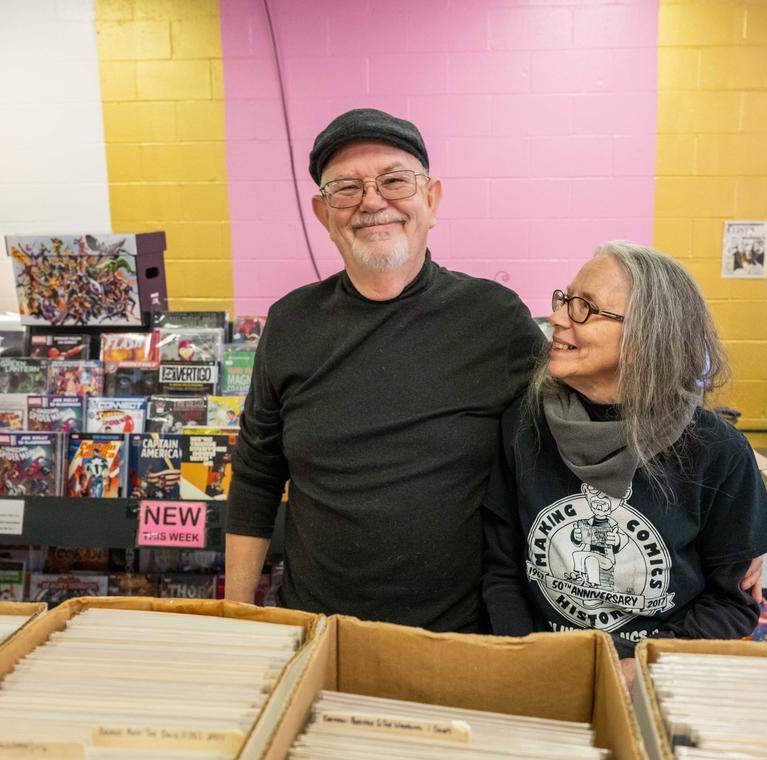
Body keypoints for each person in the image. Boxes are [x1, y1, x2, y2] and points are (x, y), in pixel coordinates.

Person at [223, 109, 544, 631]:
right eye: (345, 189)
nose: (372, 201)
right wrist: (236, 613)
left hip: (460, 638)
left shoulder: (496, 320)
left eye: (394, 180)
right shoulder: (290, 323)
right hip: (316, 632)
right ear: (324, 215)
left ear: (432, 199)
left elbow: (560, 450)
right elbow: (258, 474)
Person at [482, 241, 767, 678]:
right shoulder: (523, 426)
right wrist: (529, 659)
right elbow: (502, 571)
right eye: (565, 300)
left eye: (584, 307)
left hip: (655, 679)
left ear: (645, 340)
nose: (558, 318)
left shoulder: (716, 452)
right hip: (540, 672)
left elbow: (732, 604)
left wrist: (641, 663)